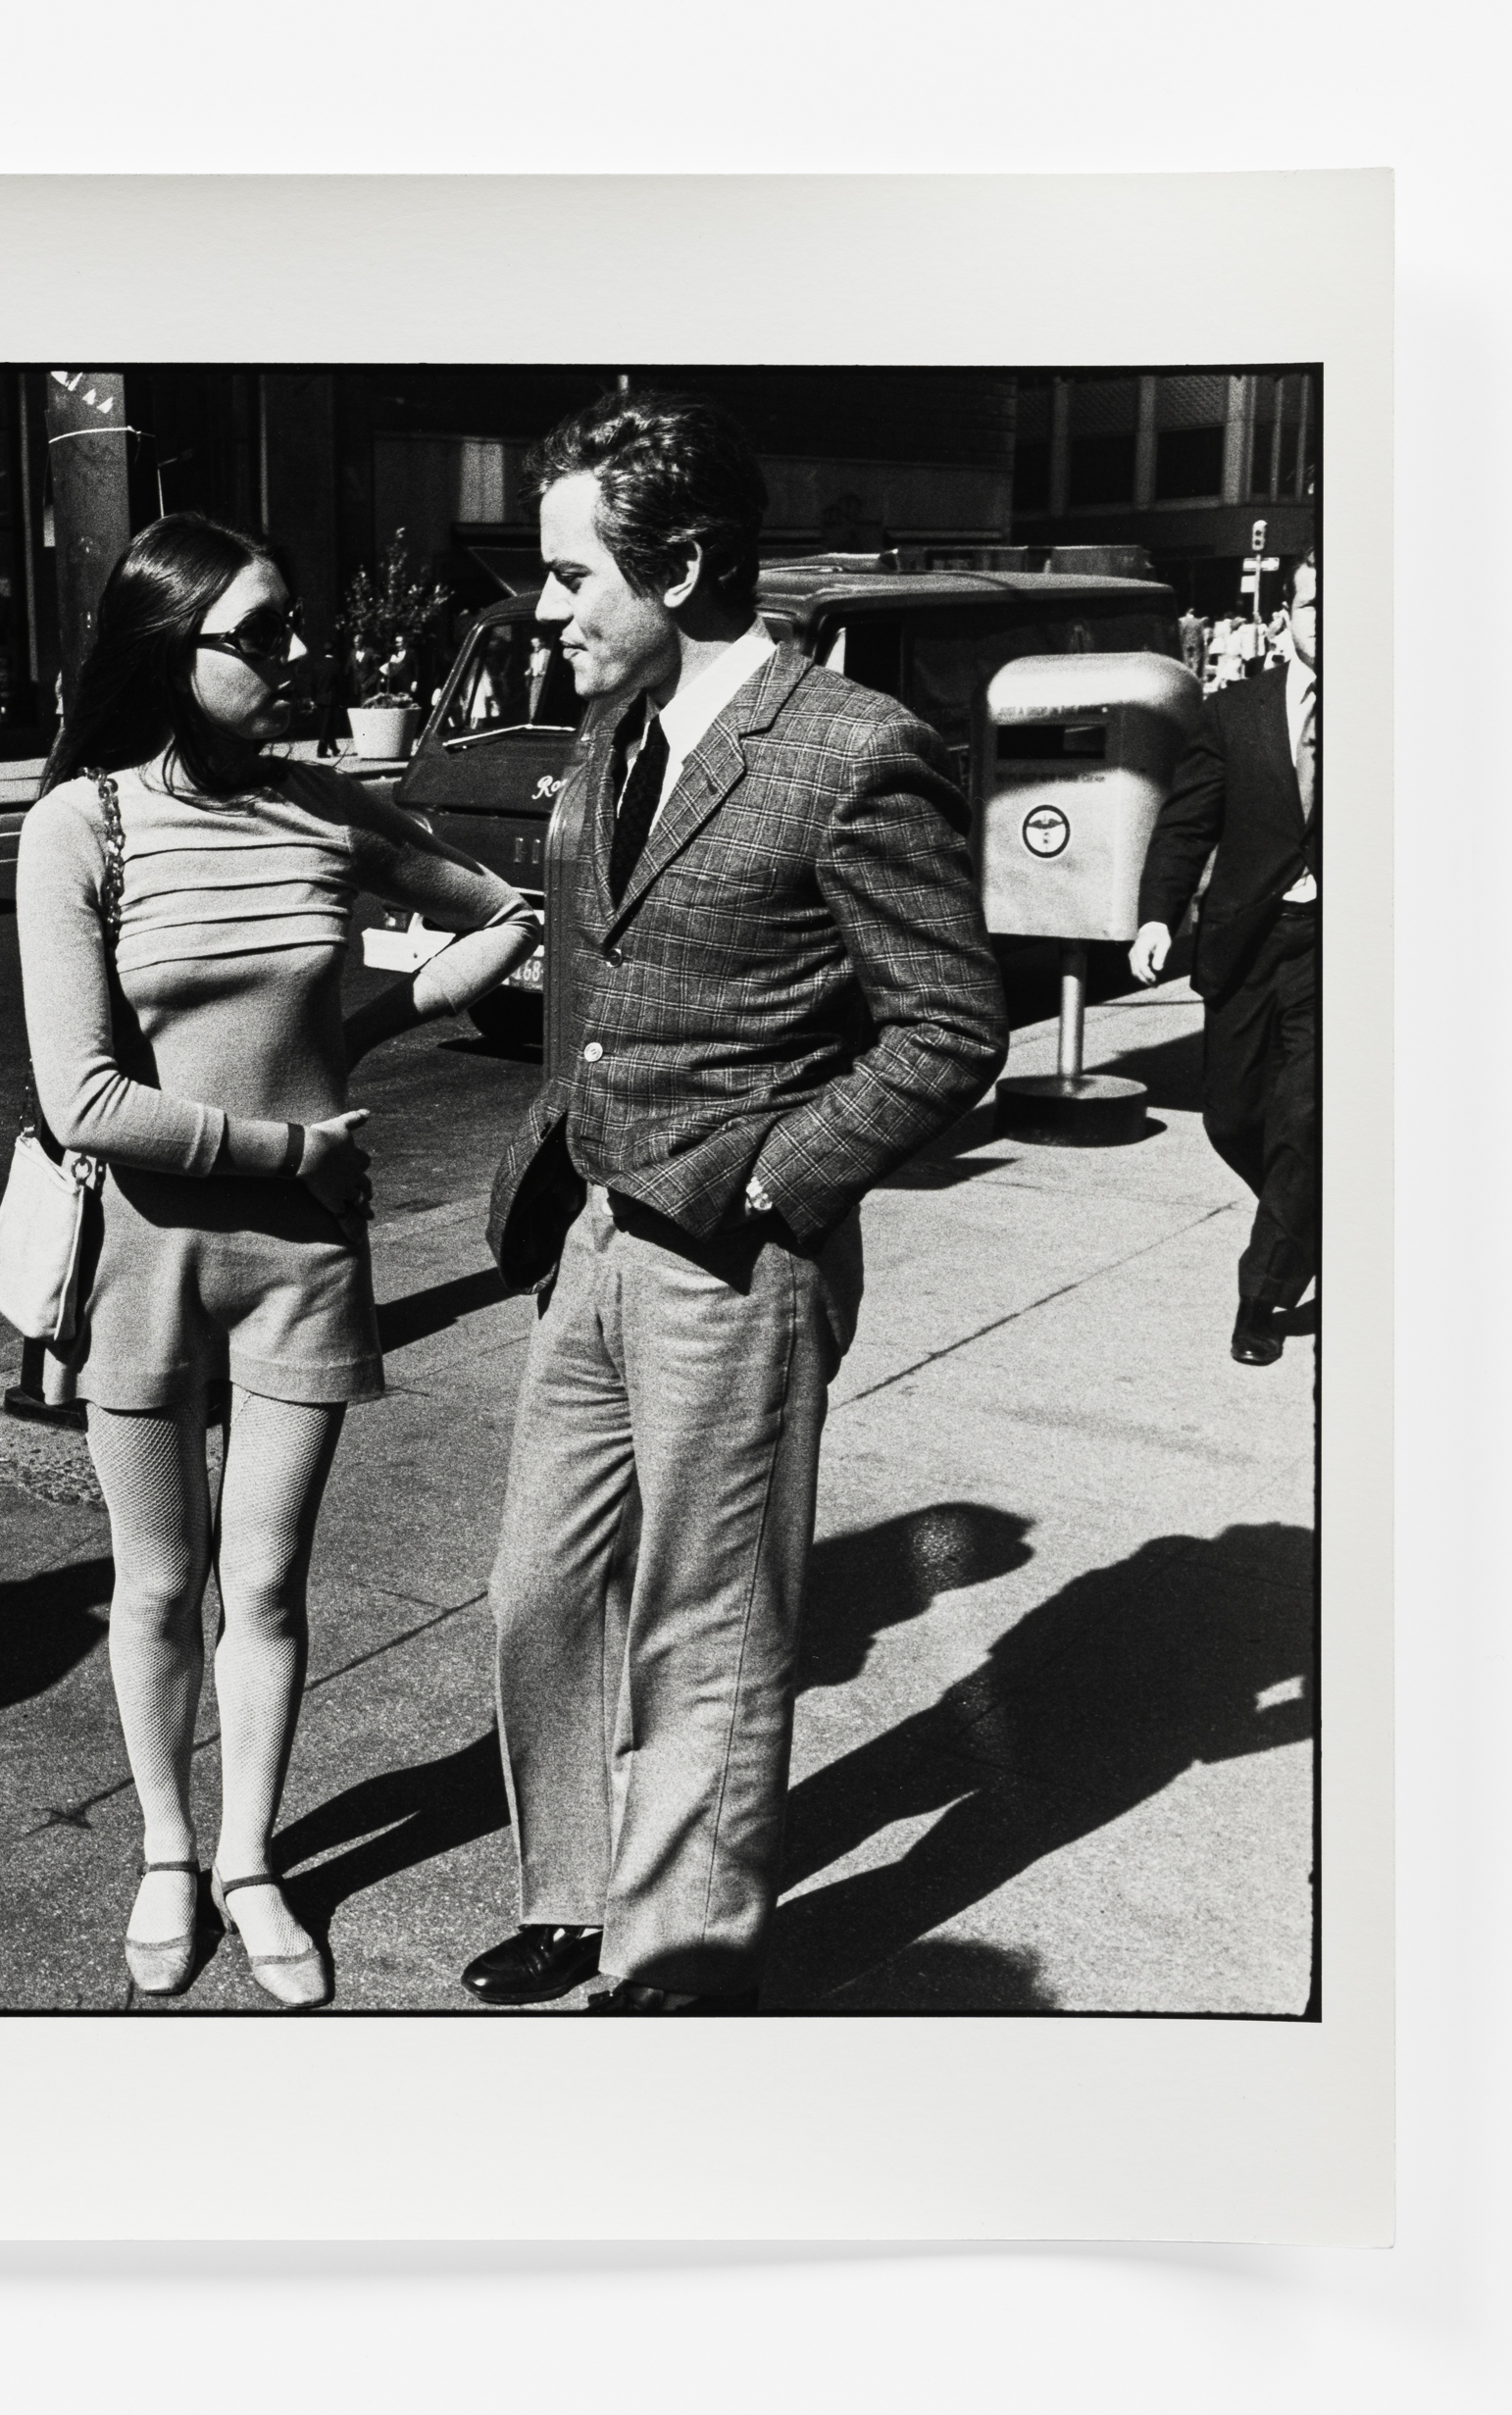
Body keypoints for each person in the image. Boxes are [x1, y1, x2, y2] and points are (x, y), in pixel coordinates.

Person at [468, 393, 1007, 2014]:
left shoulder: (850, 750)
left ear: (686, 563)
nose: (548, 610)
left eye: (574, 575)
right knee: (541, 1590)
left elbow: (948, 1028)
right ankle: (575, 1893)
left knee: (706, 1624)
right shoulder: (614, 734)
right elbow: (598, 973)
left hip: (733, 1254)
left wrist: (779, 1181)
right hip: (593, 1229)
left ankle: (680, 1950)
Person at [16, 513, 540, 2008]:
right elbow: (86, 1099)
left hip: (305, 1255)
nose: (300, 652)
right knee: (158, 1583)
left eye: (294, 621)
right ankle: (167, 1851)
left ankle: (250, 1860)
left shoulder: (324, 809)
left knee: (270, 1582)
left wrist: (347, 1044)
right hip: (146, 1253)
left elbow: (505, 912)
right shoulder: (82, 826)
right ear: (168, 650)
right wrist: (287, 1143)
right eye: (261, 633)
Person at [1130, 543, 1321, 1366]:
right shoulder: (1235, 710)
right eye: (1316, 607)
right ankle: (1313, 1216)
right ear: (1286, 618)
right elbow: (1187, 825)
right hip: (1247, 940)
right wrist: (1156, 918)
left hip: (1337, 950)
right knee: (1234, 1118)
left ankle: (1262, 1297)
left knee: (1304, 1120)